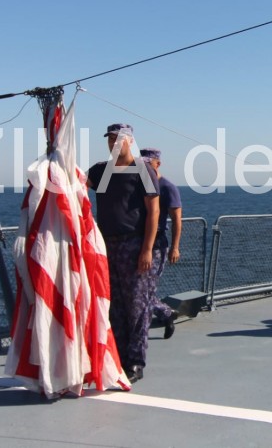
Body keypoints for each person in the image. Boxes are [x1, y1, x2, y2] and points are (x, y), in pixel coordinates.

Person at [86, 124, 160, 383]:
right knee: (113, 304)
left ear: (131, 141)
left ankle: (136, 362)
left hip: (133, 244)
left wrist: (147, 249)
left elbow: (154, 211)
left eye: (119, 140)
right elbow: (74, 186)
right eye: (110, 140)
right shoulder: (102, 171)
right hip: (106, 245)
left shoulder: (142, 170)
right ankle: (116, 357)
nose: (114, 144)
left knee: (137, 306)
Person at [140, 147, 183, 340]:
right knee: (138, 288)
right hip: (139, 242)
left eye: (149, 163)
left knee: (144, 290)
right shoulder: (140, 185)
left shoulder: (167, 187)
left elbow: (176, 219)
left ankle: (162, 315)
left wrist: (175, 247)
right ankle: (166, 313)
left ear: (158, 163)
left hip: (157, 245)